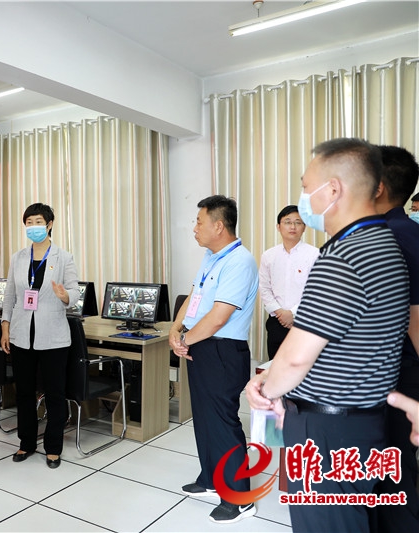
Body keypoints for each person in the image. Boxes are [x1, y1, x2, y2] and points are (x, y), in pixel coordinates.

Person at [246, 138, 409, 533]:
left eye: (306, 186)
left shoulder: (344, 257)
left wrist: (265, 388)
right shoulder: (383, 243)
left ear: (332, 189)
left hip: (327, 431)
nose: (304, 199)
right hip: (359, 421)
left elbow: (296, 357)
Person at [169, 195, 259, 524]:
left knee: (222, 422)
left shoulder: (240, 261)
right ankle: (211, 479)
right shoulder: (211, 257)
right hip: (201, 345)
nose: (194, 228)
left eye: (199, 222)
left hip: (222, 350)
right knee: (205, 418)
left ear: (219, 226)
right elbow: (194, 296)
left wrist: (185, 339)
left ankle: (239, 499)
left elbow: (219, 317)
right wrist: (176, 328)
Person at [0, 203, 79, 469]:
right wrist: (5, 327)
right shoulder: (18, 258)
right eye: (29, 222)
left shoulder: (63, 257)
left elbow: (74, 292)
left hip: (53, 336)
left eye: (38, 222)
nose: (33, 227)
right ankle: (27, 443)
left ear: (49, 224)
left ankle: (53, 448)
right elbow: (10, 295)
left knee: (55, 393)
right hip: (21, 334)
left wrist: (65, 296)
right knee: (24, 392)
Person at [372, 145, 419, 532]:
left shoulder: (386, 236)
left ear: (378, 187)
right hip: (399, 369)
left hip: (393, 372)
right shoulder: (409, 231)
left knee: (391, 464)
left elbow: (413, 317)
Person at [258, 206, 318, 360]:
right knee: (275, 367)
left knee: (304, 368)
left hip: (305, 322)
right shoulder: (268, 256)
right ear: (278, 227)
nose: (293, 227)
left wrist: (292, 313)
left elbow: (316, 290)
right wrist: (280, 313)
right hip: (276, 323)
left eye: (298, 222)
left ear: (304, 227)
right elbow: (264, 288)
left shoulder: (315, 255)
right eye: (288, 222)